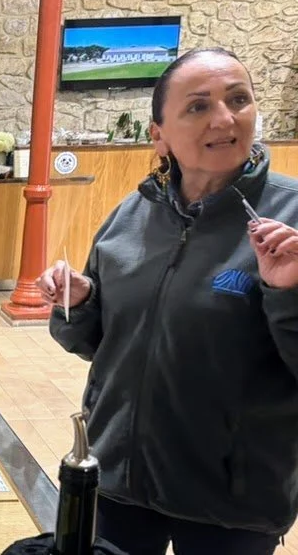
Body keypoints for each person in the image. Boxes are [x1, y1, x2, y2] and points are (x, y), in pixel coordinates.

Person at [36, 47, 298, 555]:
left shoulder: (289, 220)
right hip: (116, 483)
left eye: (238, 99)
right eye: (198, 106)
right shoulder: (131, 214)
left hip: (231, 504)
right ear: (159, 135)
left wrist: (287, 293)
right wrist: (81, 302)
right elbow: (103, 347)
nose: (224, 118)